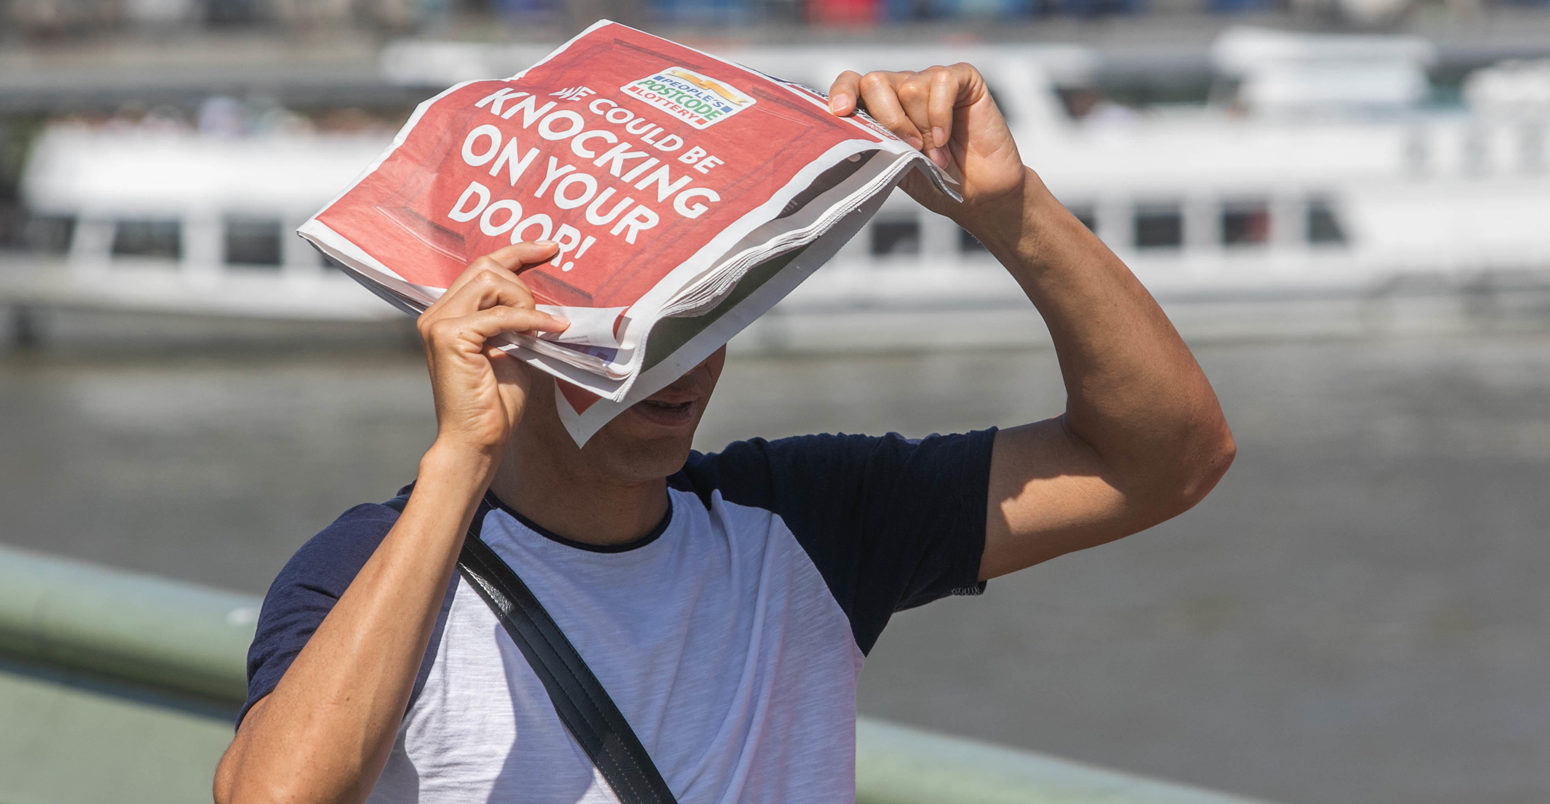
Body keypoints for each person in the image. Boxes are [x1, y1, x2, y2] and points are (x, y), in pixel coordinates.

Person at [213, 62, 1234, 803]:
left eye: (713, 319)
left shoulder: (799, 520)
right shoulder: (370, 567)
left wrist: (1010, 213)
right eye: (644, 324)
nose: (687, 364)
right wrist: (457, 464)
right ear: (498, 324)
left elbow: (1163, 460)